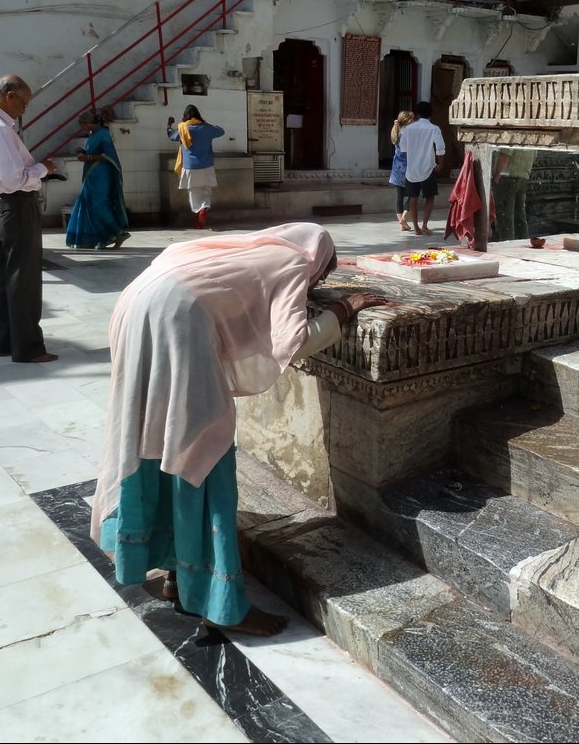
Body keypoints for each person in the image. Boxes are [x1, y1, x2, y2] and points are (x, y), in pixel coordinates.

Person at [90, 223, 389, 636]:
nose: (313, 285)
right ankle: (219, 604)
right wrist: (343, 309)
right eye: (318, 279)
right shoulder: (293, 261)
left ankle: (176, 575)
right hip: (177, 327)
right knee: (201, 451)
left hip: (137, 309)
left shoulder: (244, 247)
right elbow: (294, 340)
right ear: (317, 261)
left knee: (151, 441)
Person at [0, 74, 59, 364]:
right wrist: (42, 169)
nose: (24, 109)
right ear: (10, 96)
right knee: (24, 278)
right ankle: (28, 348)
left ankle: (7, 342)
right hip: (16, 205)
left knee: (8, 278)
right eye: (24, 102)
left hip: (3, 206)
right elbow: (14, 179)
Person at [66, 111, 131, 250]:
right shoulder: (93, 134)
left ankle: (118, 233)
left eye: (82, 124)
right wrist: (83, 152)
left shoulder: (103, 134)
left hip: (102, 175)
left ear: (89, 123)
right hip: (92, 175)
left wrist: (88, 158)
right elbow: (95, 152)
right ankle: (100, 238)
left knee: (98, 205)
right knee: (88, 205)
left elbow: (107, 155)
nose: (81, 127)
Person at [167, 105, 225, 229]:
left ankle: (199, 213)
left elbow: (171, 136)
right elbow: (221, 131)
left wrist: (169, 125)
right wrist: (206, 124)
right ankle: (204, 209)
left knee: (194, 192)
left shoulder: (183, 128)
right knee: (206, 191)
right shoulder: (207, 128)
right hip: (207, 166)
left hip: (190, 168)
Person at [398, 101, 446, 236]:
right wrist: (440, 164)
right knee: (429, 197)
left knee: (412, 198)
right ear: (431, 113)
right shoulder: (434, 129)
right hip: (428, 168)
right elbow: (440, 149)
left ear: (417, 113)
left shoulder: (409, 129)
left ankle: (416, 227)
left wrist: (414, 156)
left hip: (412, 169)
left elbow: (404, 148)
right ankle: (425, 225)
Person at [492, 146, 536, 241]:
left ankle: (506, 246)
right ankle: (522, 244)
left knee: (505, 217)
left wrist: (497, 175)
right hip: (523, 176)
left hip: (508, 176)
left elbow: (505, 155)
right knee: (519, 215)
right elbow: (534, 157)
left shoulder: (512, 133)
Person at [388, 110, 416, 232]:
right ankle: (404, 218)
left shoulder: (397, 130)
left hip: (397, 168)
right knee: (412, 193)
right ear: (407, 120)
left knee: (399, 196)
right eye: (412, 119)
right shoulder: (408, 133)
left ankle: (402, 223)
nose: (414, 121)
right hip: (408, 167)